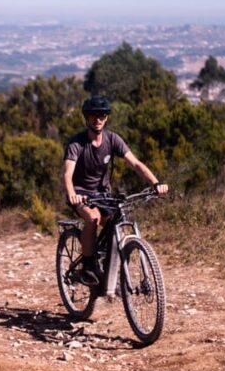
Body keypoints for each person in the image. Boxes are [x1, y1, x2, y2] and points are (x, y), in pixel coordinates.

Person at [62, 96, 169, 286]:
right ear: (86, 117)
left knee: (118, 221)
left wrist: (156, 183)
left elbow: (135, 163)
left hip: (102, 194)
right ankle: (87, 266)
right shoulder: (76, 143)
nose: (98, 120)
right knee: (93, 218)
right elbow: (67, 173)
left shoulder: (112, 139)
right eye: (93, 116)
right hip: (81, 193)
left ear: (106, 118)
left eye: (102, 115)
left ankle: (112, 273)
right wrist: (72, 193)